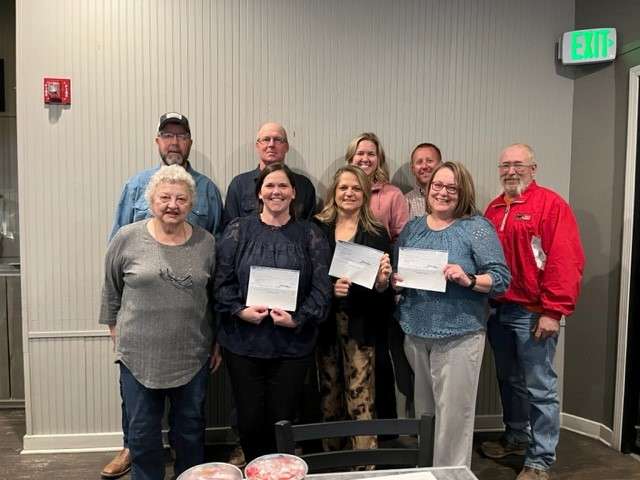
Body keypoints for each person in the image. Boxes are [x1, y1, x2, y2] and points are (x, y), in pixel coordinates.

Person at [102, 112, 224, 479]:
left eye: (181, 199)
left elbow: (216, 290)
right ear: (152, 199)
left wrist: (217, 338)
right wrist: (115, 330)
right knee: (142, 434)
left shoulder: (208, 241)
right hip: (139, 353)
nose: (172, 204)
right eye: (165, 198)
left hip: (192, 350)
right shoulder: (128, 234)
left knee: (190, 430)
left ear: (192, 202)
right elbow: (111, 285)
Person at [393, 161, 510, 468]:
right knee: (425, 414)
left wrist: (468, 279)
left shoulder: (476, 228)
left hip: (459, 335)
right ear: (428, 189)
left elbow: (501, 278)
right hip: (416, 332)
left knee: (454, 417)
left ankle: (450, 475)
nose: (442, 193)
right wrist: (394, 279)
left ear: (463, 192)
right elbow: (399, 271)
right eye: (437, 186)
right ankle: (428, 470)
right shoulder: (413, 227)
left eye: (451, 187)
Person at [214, 163, 332, 462]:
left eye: (282, 186)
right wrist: (241, 311)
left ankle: (280, 469)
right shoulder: (238, 229)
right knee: (250, 421)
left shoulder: (310, 234)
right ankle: (256, 469)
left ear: (294, 193)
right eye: (269, 186)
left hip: (292, 344)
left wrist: (298, 318)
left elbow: (321, 290)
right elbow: (221, 282)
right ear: (259, 193)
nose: (276, 191)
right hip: (244, 343)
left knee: (283, 420)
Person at [480, 144, 584, 480]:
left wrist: (554, 310)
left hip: (533, 312)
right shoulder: (494, 209)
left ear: (533, 168)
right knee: (509, 380)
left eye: (518, 165)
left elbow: (565, 260)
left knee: (540, 387)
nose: (511, 171)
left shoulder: (551, 205)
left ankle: (540, 460)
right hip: (499, 310)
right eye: (505, 165)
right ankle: (515, 437)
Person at [314, 165, 393, 451]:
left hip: (362, 323)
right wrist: (329, 289)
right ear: (333, 193)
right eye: (343, 188)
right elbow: (308, 275)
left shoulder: (377, 233)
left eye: (356, 188)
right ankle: (331, 460)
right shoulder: (318, 228)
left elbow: (384, 290)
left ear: (364, 194)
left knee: (361, 396)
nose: (349, 193)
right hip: (324, 325)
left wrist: (383, 282)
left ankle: (364, 463)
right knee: (329, 393)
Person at [345, 132, 410, 420]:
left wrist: (385, 272)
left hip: (379, 288)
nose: (365, 159)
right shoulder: (342, 188)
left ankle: (385, 428)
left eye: (371, 154)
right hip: (347, 290)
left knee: (381, 358)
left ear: (379, 159)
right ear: (351, 157)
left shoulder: (392, 195)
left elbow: (402, 241)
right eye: (360, 153)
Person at [223, 122, 317, 225]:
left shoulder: (304, 185)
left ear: (286, 147)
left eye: (277, 140)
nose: (271, 144)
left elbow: (309, 230)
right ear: (257, 146)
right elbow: (229, 228)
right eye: (266, 139)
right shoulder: (239, 185)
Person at [404, 143, 442, 219]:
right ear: (412, 169)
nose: (424, 166)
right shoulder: (405, 202)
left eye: (429, 161)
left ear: (440, 165)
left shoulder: (452, 198)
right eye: (419, 162)